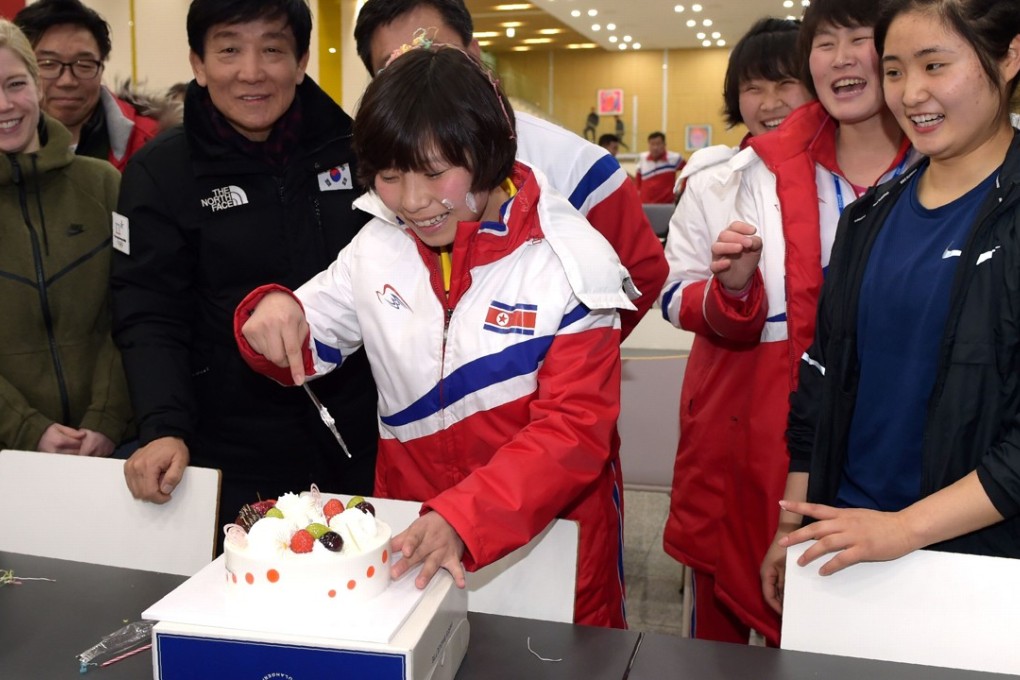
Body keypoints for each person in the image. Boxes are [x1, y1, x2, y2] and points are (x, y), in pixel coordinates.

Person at [236, 45, 634, 629]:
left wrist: (465, 517)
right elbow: (304, 338)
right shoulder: (379, 242)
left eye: (434, 172)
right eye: (390, 176)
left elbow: (573, 432)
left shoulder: (572, 262)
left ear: (489, 148)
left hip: (550, 544)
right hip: (414, 538)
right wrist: (270, 310)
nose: (414, 201)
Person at [672, 0, 922, 646]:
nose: (841, 58)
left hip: (891, 445)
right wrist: (734, 290)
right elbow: (673, 293)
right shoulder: (726, 178)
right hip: (746, 437)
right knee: (722, 629)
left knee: (866, 625)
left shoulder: (939, 168)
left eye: (858, 40)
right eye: (826, 43)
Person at [761, 0, 1020, 608]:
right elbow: (821, 382)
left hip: (978, 566)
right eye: (897, 70)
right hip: (845, 546)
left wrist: (904, 530)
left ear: (1009, 57)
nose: (911, 94)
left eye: (935, 66)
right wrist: (793, 525)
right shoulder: (869, 217)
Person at [110, 0, 378, 536]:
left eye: (273, 49)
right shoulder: (161, 173)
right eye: (229, 49)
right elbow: (149, 313)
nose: (251, 72)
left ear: (301, 62)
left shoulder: (358, 152)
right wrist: (163, 427)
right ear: (199, 63)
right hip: (228, 451)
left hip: (360, 439)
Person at [353, 0, 667, 341]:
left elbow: (641, 273)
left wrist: (563, 356)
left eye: (432, 50)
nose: (418, 72)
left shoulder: (578, 165)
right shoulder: (383, 173)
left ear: (473, 54)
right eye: (392, 65)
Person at [658, 17, 813, 646]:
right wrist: (730, 293)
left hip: (807, 411)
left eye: (785, 84)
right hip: (725, 404)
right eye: (753, 87)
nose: (769, 103)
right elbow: (671, 293)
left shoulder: (854, 178)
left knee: (805, 591)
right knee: (716, 595)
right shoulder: (712, 180)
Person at [0, 18, 132, 456]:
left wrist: (107, 417)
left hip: (115, 447)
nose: (4, 104)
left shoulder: (103, 185)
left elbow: (135, 308)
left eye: (15, 83)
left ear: (38, 87)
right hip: (10, 455)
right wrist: (26, 428)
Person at [13, 0, 160, 172]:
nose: (67, 81)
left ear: (102, 67)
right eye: (48, 63)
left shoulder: (153, 143)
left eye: (83, 64)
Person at [634, 131, 684, 204]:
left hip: (667, 205)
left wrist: (682, 190)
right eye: (652, 144)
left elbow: (688, 172)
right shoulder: (642, 158)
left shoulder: (674, 158)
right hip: (645, 205)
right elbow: (638, 182)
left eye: (658, 144)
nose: (655, 147)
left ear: (664, 145)